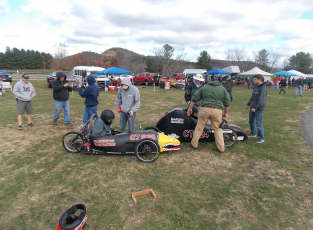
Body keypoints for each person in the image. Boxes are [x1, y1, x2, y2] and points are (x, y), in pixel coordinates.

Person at [187, 78, 230, 153]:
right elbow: (227, 103)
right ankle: (221, 149)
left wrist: (190, 108)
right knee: (217, 129)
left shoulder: (204, 87)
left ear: (210, 82)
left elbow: (194, 98)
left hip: (204, 110)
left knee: (199, 128)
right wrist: (225, 113)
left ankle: (194, 144)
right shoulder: (222, 89)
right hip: (217, 111)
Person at [245, 74, 267, 144]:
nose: (253, 80)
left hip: (259, 108)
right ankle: (253, 133)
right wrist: (248, 104)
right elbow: (252, 97)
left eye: (255, 79)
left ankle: (261, 138)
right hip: (253, 107)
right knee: (251, 120)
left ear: (259, 80)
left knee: (258, 123)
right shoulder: (255, 87)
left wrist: (256, 108)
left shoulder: (263, 88)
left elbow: (261, 100)